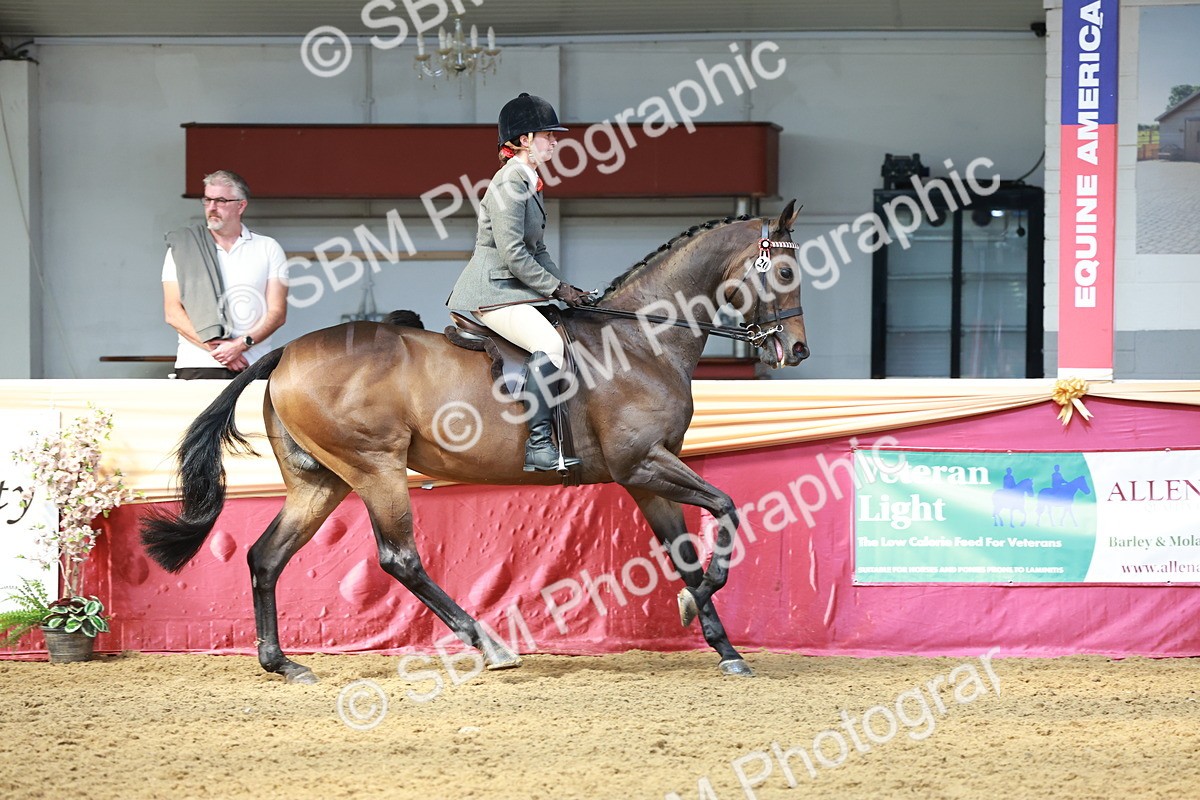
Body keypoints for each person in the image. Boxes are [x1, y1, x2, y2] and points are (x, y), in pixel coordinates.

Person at [446, 92, 590, 472]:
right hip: (494, 291)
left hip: (515, 289)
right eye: (548, 135)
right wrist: (555, 289)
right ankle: (540, 446)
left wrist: (568, 288)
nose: (556, 141)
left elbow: (538, 251)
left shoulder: (529, 179)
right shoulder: (510, 182)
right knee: (549, 344)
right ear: (524, 139)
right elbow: (513, 253)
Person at [161, 170, 288, 379]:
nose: (212, 208)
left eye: (220, 201)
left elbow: (277, 312)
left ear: (241, 205)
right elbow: (173, 312)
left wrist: (241, 345)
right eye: (208, 200)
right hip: (197, 363)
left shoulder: (268, 248)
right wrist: (221, 351)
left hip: (253, 362)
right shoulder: (182, 249)